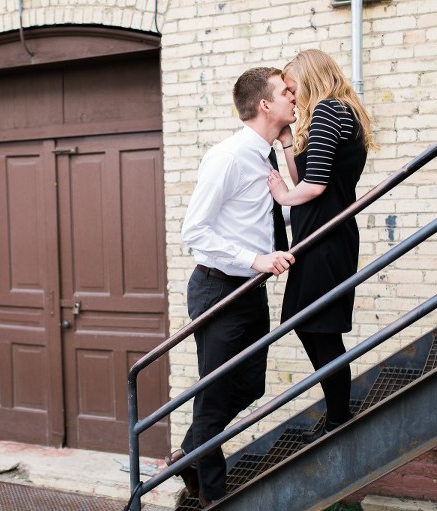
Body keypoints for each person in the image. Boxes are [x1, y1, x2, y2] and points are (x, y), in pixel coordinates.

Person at [167, 67, 297, 508]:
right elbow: (195, 232)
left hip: (249, 291)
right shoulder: (228, 156)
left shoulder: (266, 155)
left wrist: (289, 145)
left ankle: (188, 454)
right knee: (215, 391)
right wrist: (255, 259)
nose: (294, 97)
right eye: (285, 92)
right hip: (218, 289)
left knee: (250, 387)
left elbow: (289, 209)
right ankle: (213, 496)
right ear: (265, 104)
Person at [267, 49, 376, 443]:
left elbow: (312, 187)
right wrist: (285, 143)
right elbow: (307, 178)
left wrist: (282, 196)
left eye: (293, 89)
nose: (292, 98)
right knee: (310, 325)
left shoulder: (331, 110)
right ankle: (337, 411)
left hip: (327, 239)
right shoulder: (336, 112)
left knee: (321, 329)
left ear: (311, 78)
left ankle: (339, 416)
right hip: (319, 237)